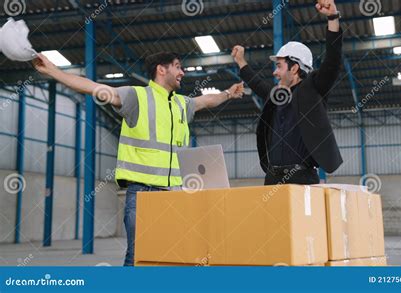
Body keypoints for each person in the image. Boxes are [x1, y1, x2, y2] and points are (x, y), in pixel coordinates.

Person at [33, 52, 244, 266]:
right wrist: (53, 71)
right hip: (143, 194)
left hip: (173, 194)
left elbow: (207, 101)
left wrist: (228, 93)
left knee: (168, 258)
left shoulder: (182, 104)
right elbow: (92, 87)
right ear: (161, 70)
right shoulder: (136, 97)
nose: (182, 72)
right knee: (138, 257)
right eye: (178, 66)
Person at [231, 0, 343, 185]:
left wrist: (332, 17)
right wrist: (241, 61)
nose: (274, 72)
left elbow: (332, 61)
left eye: (279, 66)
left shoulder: (314, 89)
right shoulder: (277, 95)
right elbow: (257, 84)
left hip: (303, 179)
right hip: (272, 178)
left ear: (294, 68)